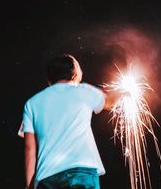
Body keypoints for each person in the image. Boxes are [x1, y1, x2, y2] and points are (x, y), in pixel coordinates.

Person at [18, 54, 118, 189]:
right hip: (81, 173)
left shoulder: (32, 103)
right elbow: (110, 101)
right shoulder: (84, 91)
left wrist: (29, 187)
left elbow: (30, 149)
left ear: (49, 79)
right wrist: (124, 92)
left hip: (48, 178)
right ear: (76, 73)